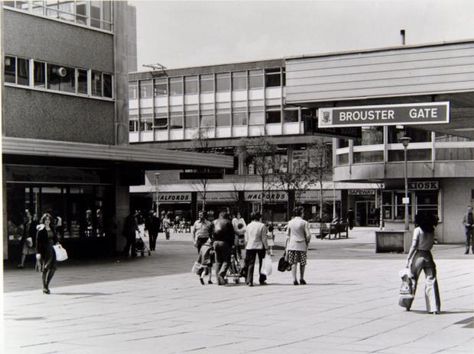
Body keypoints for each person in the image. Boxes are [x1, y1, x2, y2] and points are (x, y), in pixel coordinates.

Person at [405, 213, 441, 314]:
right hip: (428, 256)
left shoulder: (418, 230)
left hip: (418, 255)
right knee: (431, 281)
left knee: (412, 280)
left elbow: (414, 245)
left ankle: (407, 303)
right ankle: (434, 308)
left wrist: (408, 257)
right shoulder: (432, 231)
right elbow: (431, 244)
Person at [286, 206, 311, 285]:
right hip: (302, 245)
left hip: (292, 245)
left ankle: (294, 279)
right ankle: (301, 278)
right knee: (302, 263)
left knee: (293, 262)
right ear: (301, 213)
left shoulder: (290, 222)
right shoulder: (304, 222)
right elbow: (308, 235)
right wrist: (307, 242)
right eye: (303, 212)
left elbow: (287, 235)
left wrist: (286, 246)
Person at [35, 213, 59, 294]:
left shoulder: (52, 228)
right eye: (46, 220)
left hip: (53, 250)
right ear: (43, 221)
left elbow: (55, 238)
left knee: (53, 268)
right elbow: (38, 242)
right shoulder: (41, 229)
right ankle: (44, 287)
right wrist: (38, 253)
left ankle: (47, 285)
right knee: (45, 269)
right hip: (45, 250)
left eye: (48, 220)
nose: (47, 221)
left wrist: (57, 243)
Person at [244, 212, 269, 286]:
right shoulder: (262, 226)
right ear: (259, 218)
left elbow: (246, 238)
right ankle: (262, 279)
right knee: (262, 263)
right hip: (260, 246)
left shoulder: (248, 225)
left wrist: (246, 246)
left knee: (250, 263)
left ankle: (249, 280)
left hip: (250, 245)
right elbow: (264, 238)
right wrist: (267, 247)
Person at [212, 210, 234, 285]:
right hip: (225, 243)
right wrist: (232, 245)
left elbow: (210, 232)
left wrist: (212, 242)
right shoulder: (228, 222)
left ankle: (218, 281)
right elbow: (232, 235)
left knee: (218, 261)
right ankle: (221, 274)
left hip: (215, 243)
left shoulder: (214, 222)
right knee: (226, 260)